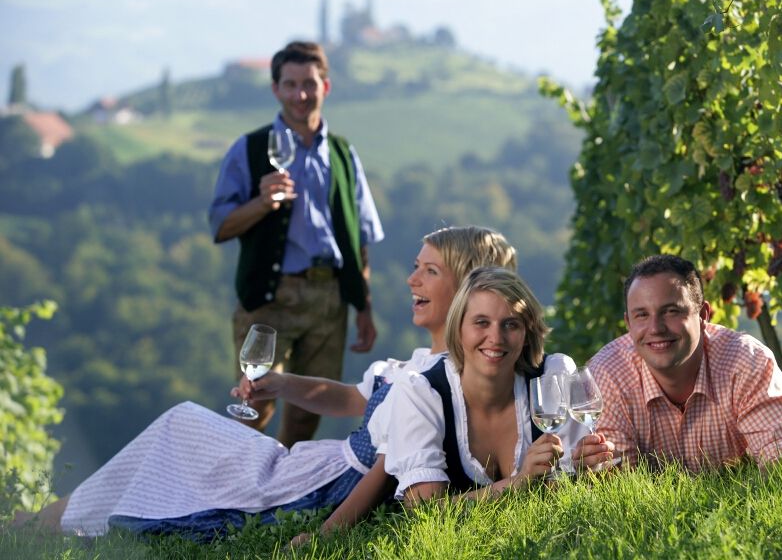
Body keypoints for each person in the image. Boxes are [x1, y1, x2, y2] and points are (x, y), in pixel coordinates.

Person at [15, 226, 516, 541]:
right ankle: (44, 522)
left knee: (181, 427)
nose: (412, 280)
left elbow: (392, 463)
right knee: (178, 429)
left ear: (471, 288)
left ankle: (39, 525)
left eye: (429, 271)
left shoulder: (445, 376)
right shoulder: (410, 365)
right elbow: (347, 398)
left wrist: (327, 531)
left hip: (321, 484)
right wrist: (281, 383)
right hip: (315, 463)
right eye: (415, 267)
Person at [208, 40, 383, 445]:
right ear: (275, 89)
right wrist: (261, 203)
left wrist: (364, 307)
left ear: (326, 87)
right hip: (271, 298)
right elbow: (220, 226)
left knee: (309, 416)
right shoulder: (249, 149)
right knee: (256, 404)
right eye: (290, 84)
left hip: (330, 298)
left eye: (309, 83)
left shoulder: (343, 153)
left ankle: (282, 500)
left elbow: (360, 238)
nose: (300, 94)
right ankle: (233, 498)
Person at [371, 267, 610, 503]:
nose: (496, 338)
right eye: (481, 323)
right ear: (458, 330)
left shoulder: (553, 376)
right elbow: (425, 510)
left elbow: (562, 489)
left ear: (527, 332)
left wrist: (583, 469)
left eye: (511, 324)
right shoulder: (421, 392)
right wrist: (520, 482)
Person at [584, 254, 782, 472]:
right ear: (628, 323)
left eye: (671, 311)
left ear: (703, 315)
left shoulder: (746, 361)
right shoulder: (607, 374)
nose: (656, 328)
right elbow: (619, 485)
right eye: (642, 315)